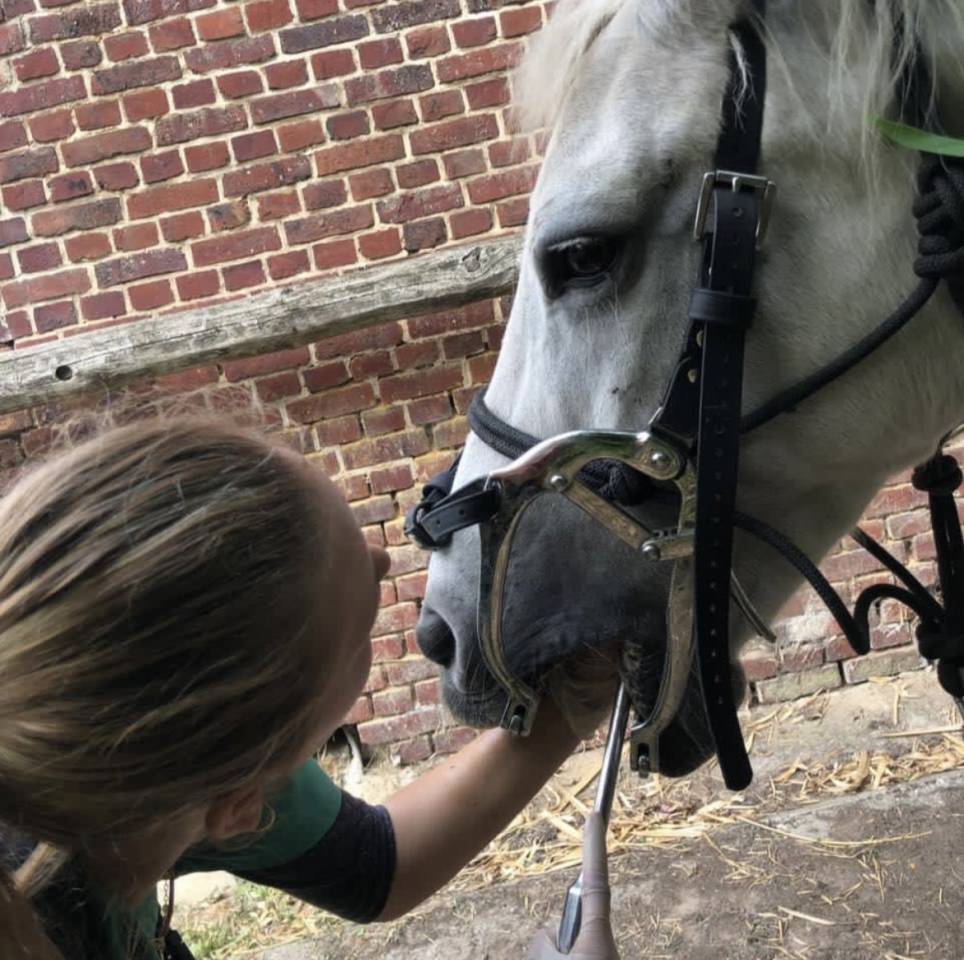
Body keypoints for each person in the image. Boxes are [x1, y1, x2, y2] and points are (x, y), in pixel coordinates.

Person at [0, 416, 620, 960]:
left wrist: (575, 698)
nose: (380, 558)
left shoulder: (115, 772)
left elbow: (375, 862)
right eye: (360, 634)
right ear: (245, 808)